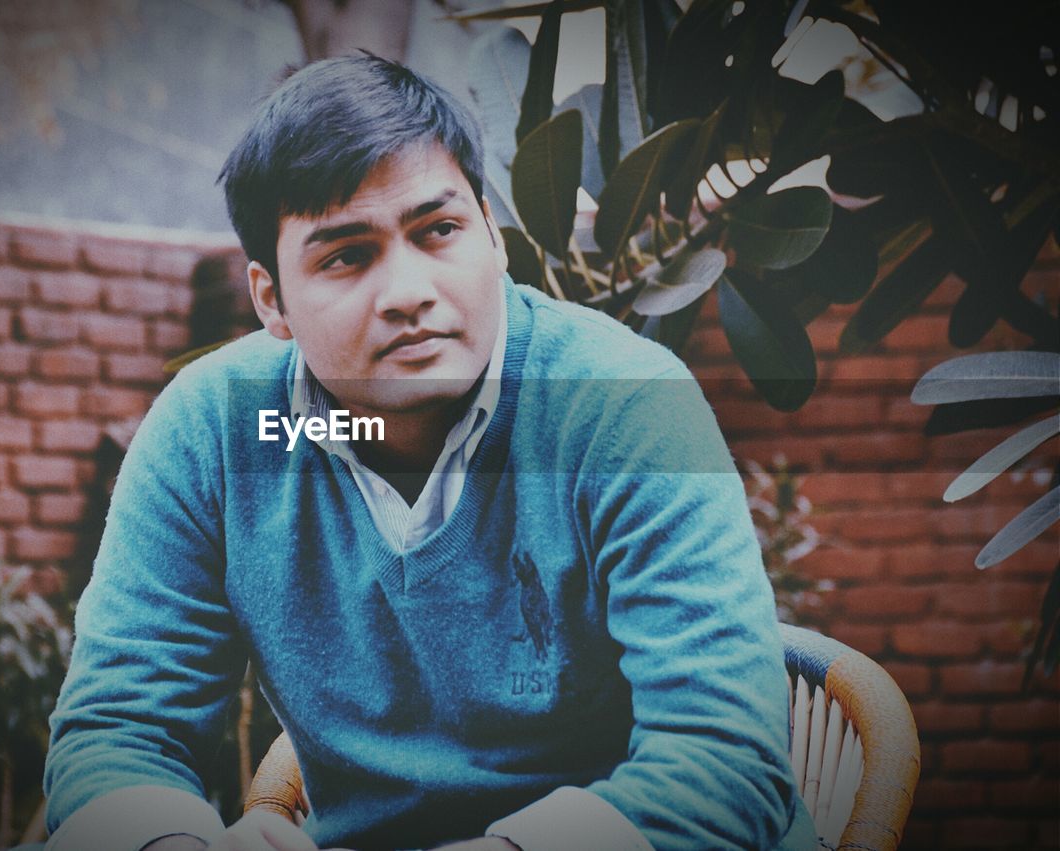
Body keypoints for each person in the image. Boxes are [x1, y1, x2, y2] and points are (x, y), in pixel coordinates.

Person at [43, 55, 817, 851]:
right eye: (345, 255)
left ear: (491, 232)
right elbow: (119, 729)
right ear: (271, 299)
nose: (408, 291)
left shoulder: (621, 402)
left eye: (437, 230)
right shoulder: (219, 431)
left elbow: (724, 767)